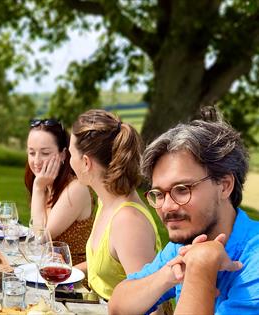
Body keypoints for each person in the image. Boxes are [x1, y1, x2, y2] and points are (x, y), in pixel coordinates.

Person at [108, 107, 259, 314]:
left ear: (224, 186)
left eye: (182, 189)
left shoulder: (254, 260)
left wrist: (201, 264)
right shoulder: (182, 244)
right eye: (159, 193)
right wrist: (169, 275)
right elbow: (118, 306)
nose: (167, 206)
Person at [68, 109, 161, 301]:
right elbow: (108, 265)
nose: (69, 162)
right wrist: (64, 272)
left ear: (86, 163)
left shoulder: (128, 223)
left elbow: (152, 308)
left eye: (71, 154)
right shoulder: (106, 201)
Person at [25, 118, 94, 265]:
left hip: (71, 278)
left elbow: (40, 238)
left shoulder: (76, 189)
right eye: (31, 153)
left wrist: (38, 188)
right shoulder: (47, 184)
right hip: (46, 268)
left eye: (45, 153)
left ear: (63, 154)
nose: (36, 161)